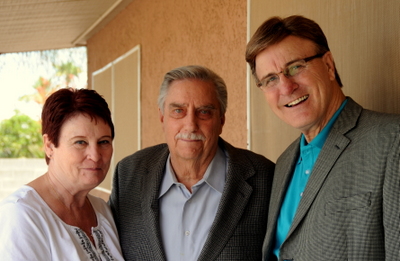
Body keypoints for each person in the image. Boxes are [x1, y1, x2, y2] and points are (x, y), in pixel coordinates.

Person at [245, 15, 400, 261]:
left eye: (295, 67)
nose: (285, 87)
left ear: (328, 65)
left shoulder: (393, 141)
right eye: (271, 79)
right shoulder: (283, 162)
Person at [109, 65, 275, 260]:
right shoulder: (129, 175)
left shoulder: (265, 178)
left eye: (204, 112)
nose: (190, 125)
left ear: (221, 120)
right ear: (162, 117)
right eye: (178, 111)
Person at [0, 88, 124, 260]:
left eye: (103, 142)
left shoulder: (102, 211)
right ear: (49, 146)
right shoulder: (22, 214)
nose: (95, 156)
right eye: (80, 142)